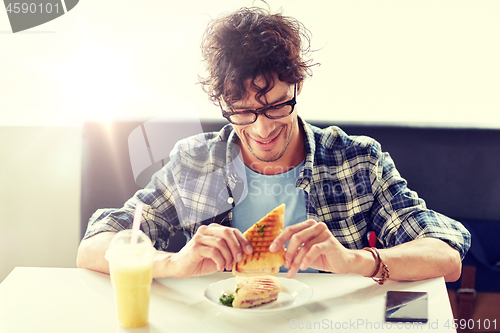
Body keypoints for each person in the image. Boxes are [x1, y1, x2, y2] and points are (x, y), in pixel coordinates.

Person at [77, 6, 470, 283]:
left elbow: (446, 256)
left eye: (276, 106)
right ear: (222, 104)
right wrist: (175, 264)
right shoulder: (195, 161)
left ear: (297, 86)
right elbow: (94, 247)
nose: (262, 129)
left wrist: (354, 261)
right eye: (242, 111)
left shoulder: (357, 160)